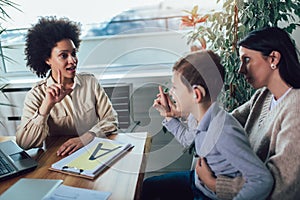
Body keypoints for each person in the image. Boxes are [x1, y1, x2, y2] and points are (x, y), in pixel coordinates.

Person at [141, 50, 273, 200]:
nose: (170, 92)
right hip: (198, 182)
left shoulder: (224, 133)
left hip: (208, 194)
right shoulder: (198, 117)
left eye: (175, 87)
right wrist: (169, 116)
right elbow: (188, 140)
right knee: (148, 187)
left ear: (197, 94)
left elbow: (262, 181)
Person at [196, 27, 300, 200]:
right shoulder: (263, 95)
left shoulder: (296, 108)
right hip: (220, 181)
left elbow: (282, 186)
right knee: (152, 186)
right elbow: (223, 122)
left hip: (231, 190)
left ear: (273, 58)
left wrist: (214, 183)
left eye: (247, 60)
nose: (240, 70)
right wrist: (183, 110)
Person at [16, 16, 118, 156]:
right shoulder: (36, 95)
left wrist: (86, 137)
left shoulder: (90, 83)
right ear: (47, 59)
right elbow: (25, 143)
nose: (73, 60)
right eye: (64, 55)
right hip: (58, 157)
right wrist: (47, 105)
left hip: (94, 152)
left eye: (74, 53)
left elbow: (111, 119)